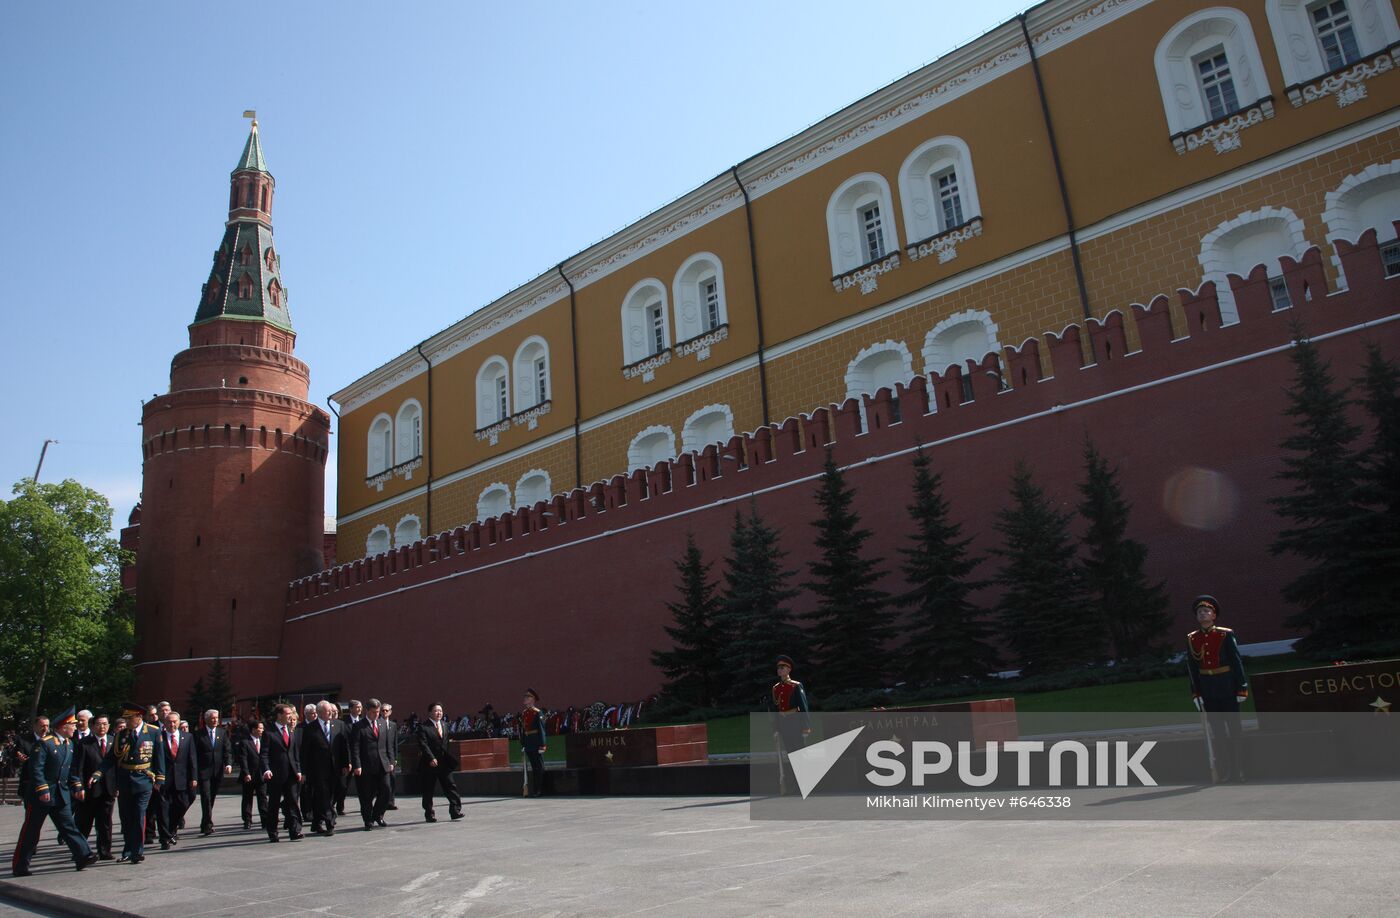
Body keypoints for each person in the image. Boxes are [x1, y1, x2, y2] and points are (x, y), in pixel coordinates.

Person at [11, 708, 98, 876]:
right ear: (63, 726)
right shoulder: (45, 743)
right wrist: (42, 788)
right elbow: (36, 769)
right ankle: (20, 866)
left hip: (60, 795)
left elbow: (70, 770)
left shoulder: (69, 744)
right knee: (31, 831)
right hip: (41, 796)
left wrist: (77, 786)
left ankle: (83, 856)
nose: (75, 727)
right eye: (73, 724)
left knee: (68, 826)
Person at [90, 702, 165, 864]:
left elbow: (159, 756)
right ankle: (128, 849)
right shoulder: (121, 735)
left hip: (144, 779)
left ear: (138, 717)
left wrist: (160, 777)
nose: (127, 722)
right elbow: (111, 757)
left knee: (139, 815)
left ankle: (137, 851)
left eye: (130, 718)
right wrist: (98, 772)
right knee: (126, 817)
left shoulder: (153, 732)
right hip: (125, 780)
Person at [1186, 595, 1249, 783]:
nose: (1202, 614)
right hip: (1208, 687)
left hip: (1227, 684)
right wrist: (1196, 693)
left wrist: (1241, 687)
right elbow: (1192, 667)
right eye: (1199, 612)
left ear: (1214, 615)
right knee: (1218, 733)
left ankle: (1240, 770)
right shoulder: (1192, 638)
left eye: (1206, 611)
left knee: (1234, 730)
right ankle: (1225, 771)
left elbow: (1236, 662)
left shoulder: (1225, 634)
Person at [300, 701, 349, 836]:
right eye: (328, 711)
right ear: (320, 713)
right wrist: (304, 771)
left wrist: (346, 763)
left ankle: (316, 822)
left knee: (331, 795)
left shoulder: (339, 725)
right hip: (318, 770)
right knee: (324, 796)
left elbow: (344, 746)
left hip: (336, 768)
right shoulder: (310, 729)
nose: (331, 713)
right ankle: (330, 823)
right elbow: (305, 752)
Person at [260, 704, 304, 842]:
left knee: (292, 802)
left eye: (291, 713)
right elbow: (264, 754)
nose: (290, 716)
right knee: (273, 804)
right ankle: (273, 832)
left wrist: (298, 770)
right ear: (279, 715)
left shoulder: (291, 730)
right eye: (287, 713)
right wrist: (266, 769)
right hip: (276, 774)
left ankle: (294, 830)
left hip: (291, 773)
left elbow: (295, 753)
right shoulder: (269, 732)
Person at [348, 699, 393, 830]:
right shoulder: (358, 726)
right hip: (366, 766)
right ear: (367, 711)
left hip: (382, 764)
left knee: (386, 790)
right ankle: (368, 820)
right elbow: (355, 747)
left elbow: (387, 744)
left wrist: (391, 760)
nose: (376, 715)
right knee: (366, 795)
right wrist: (357, 765)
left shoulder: (383, 723)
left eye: (378, 712)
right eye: (374, 712)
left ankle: (378, 815)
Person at [76, 716, 116, 860]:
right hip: (89, 790)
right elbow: (78, 768)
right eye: (99, 724)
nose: (102, 727)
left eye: (105, 724)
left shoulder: (113, 741)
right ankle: (80, 851)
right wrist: (79, 786)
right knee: (84, 822)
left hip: (109, 789)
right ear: (92, 726)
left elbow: (116, 766)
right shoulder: (84, 743)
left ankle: (104, 851)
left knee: (105, 822)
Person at [770, 655, 811, 794]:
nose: (779, 670)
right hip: (783, 724)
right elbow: (776, 710)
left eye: (782, 667)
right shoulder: (776, 688)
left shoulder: (795, 685)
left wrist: (806, 727)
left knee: (800, 754)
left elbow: (803, 707)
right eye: (778, 668)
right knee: (791, 755)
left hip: (795, 722)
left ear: (788, 669)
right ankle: (795, 786)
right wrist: (775, 729)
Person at [153, 711, 194, 850]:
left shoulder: (187, 737)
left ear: (179, 721)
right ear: (164, 723)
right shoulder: (159, 737)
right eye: (169, 722)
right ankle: (164, 838)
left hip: (181, 778)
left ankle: (170, 830)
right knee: (163, 810)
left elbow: (191, 758)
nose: (172, 724)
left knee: (182, 804)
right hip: (163, 780)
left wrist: (193, 777)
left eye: (175, 721)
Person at [417, 703, 462, 822]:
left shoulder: (445, 725)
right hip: (430, 763)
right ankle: (429, 814)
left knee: (451, 786)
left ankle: (455, 810)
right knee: (428, 790)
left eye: (440, 711)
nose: (439, 713)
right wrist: (431, 758)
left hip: (444, 763)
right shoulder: (423, 727)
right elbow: (423, 744)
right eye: (436, 711)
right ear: (430, 713)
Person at [192, 709, 233, 836]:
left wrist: (229, 764)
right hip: (204, 771)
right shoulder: (198, 734)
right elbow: (194, 754)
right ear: (206, 719)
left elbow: (227, 750)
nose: (215, 720)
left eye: (217, 718)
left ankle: (205, 822)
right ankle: (208, 825)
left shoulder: (222, 732)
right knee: (205, 797)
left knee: (212, 797)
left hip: (217, 771)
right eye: (213, 718)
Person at [238, 720, 269, 831]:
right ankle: (247, 820)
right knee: (247, 798)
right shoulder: (245, 742)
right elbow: (243, 759)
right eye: (260, 728)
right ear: (253, 729)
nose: (262, 730)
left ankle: (265, 820)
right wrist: (246, 773)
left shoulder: (264, 740)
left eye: (263, 728)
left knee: (263, 798)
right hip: (249, 775)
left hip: (261, 775)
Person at [337, 700, 363, 817]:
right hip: (349, 757)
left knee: (363, 784)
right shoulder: (344, 723)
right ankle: (339, 806)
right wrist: (347, 760)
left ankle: (365, 805)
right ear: (351, 708)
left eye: (360, 707)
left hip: (361, 758)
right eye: (357, 707)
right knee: (344, 785)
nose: (359, 709)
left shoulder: (363, 722)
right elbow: (344, 742)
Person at [519, 690, 547, 798]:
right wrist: (523, 744)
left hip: (536, 743)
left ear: (532, 699)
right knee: (533, 767)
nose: (525, 698)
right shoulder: (524, 713)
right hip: (529, 744)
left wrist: (542, 745)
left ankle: (539, 790)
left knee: (539, 767)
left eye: (527, 697)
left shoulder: (537, 712)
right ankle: (535, 789)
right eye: (525, 696)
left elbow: (542, 730)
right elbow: (523, 730)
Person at [381, 702, 399, 810]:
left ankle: (391, 802)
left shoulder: (393, 725)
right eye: (382, 710)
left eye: (386, 710)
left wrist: (395, 757)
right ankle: (383, 801)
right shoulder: (377, 723)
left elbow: (395, 742)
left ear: (390, 712)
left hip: (391, 756)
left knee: (392, 779)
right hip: (381, 756)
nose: (384, 712)